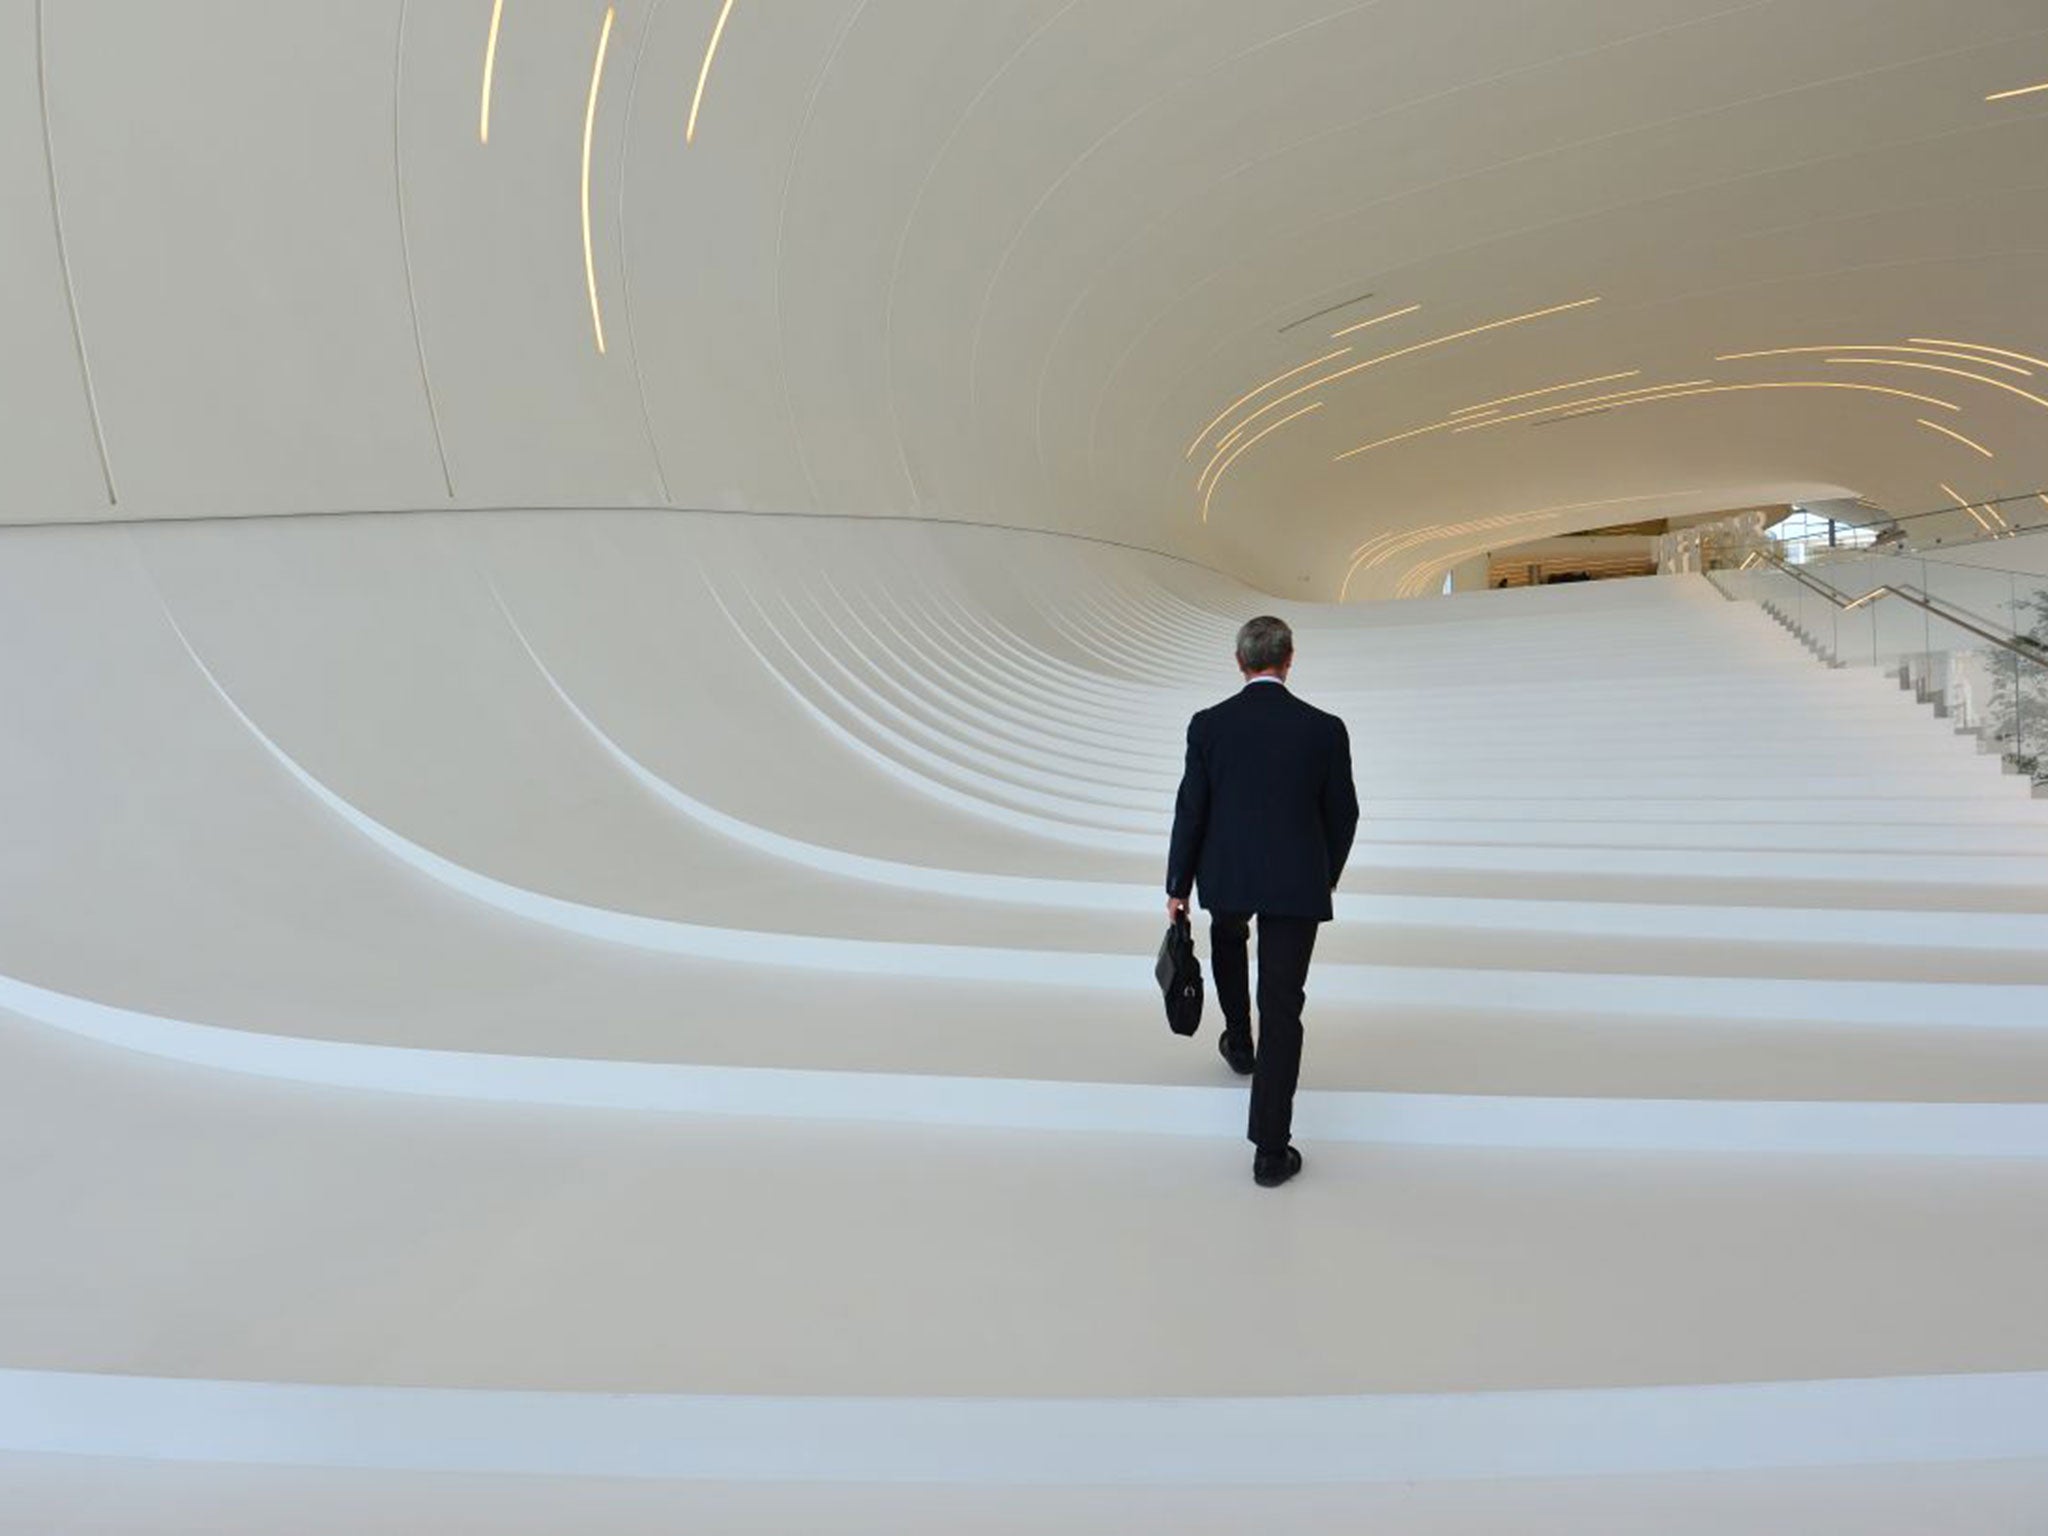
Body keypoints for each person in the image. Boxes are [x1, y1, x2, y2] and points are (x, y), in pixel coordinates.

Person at [1164, 615, 1358, 1187]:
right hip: (1298, 880)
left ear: (1240, 661)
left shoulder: (1209, 725)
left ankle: (1238, 1039)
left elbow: (1191, 809)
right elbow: (1343, 813)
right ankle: (1271, 1152)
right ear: (1289, 659)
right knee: (1284, 1004)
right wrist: (1325, 875)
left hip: (1227, 872)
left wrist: (1178, 884)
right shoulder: (1324, 729)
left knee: (1228, 936)